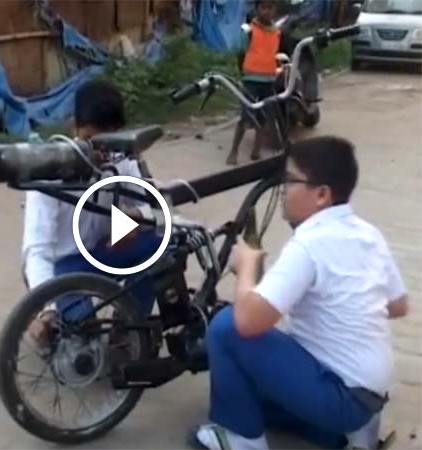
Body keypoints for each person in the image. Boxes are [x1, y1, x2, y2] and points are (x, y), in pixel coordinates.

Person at [192, 136, 408, 450]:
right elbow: (398, 305)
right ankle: (347, 434)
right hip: (368, 394)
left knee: (226, 326)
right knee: (255, 388)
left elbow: (247, 322)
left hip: (339, 395)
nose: (283, 191)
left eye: (291, 181)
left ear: (321, 194)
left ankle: (240, 440)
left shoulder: (309, 244)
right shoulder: (367, 233)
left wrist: (247, 266)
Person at [21, 79, 160, 344]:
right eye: (90, 141)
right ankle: (54, 316)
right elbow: (37, 249)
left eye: (109, 143)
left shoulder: (122, 159)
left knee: (161, 251)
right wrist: (44, 308)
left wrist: (134, 222)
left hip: (105, 250)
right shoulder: (49, 172)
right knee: (83, 334)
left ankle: (130, 330)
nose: (100, 153)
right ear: (75, 127)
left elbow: (153, 209)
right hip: (63, 265)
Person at [227, 0, 280, 166]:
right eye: (263, 7)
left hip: (269, 79)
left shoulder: (276, 32)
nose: (267, 11)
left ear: (274, 10)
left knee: (264, 116)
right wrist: (243, 72)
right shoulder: (249, 31)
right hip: (251, 80)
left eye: (270, 8)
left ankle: (256, 150)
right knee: (245, 116)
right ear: (257, 9)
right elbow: (240, 52)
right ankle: (234, 151)